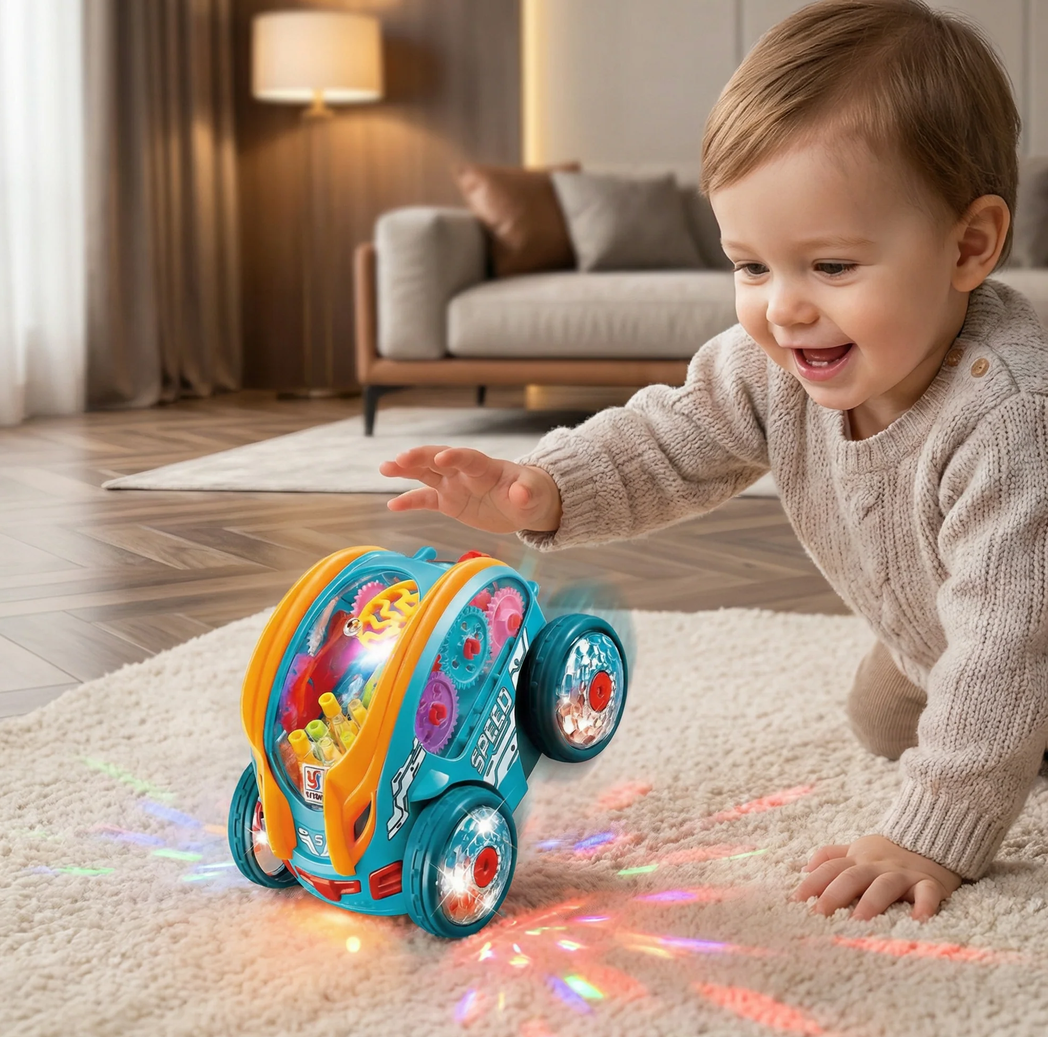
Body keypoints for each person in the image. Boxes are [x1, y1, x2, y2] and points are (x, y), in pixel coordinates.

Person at [379, 0, 1048, 922]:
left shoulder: (1009, 417)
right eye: (751, 267)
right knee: (885, 718)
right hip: (931, 637)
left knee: (992, 713)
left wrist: (932, 831)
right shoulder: (772, 367)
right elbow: (666, 442)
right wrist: (541, 488)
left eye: (834, 267)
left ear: (969, 246)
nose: (785, 309)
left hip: (1028, 629)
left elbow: (1011, 643)